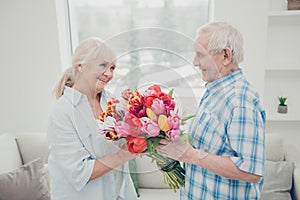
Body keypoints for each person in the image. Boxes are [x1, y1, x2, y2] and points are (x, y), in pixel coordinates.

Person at [156, 22, 266, 199]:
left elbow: (251, 171)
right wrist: (172, 158)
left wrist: (189, 155)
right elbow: (206, 151)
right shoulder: (214, 92)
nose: (195, 62)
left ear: (225, 55)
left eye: (200, 54)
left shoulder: (240, 101)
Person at [47, 37, 138, 200]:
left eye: (112, 68)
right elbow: (80, 172)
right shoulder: (62, 112)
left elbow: (123, 138)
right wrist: (127, 152)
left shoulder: (109, 100)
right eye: (103, 65)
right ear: (81, 65)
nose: (109, 74)